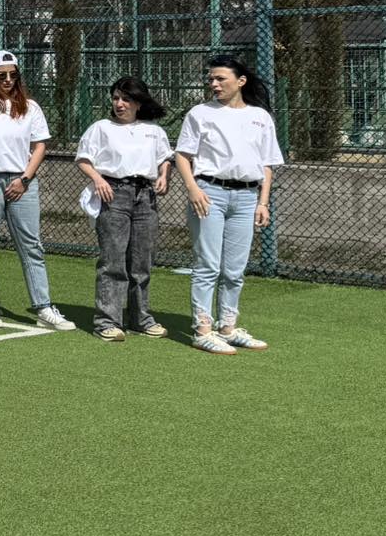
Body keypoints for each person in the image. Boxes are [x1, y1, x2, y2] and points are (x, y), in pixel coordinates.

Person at [173, 56, 283, 354]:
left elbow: (268, 164)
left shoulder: (260, 116)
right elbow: (182, 155)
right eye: (211, 79)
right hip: (210, 193)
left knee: (235, 269)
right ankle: (202, 329)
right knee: (208, 265)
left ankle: (228, 327)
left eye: (220, 78)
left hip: (247, 198)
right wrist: (193, 188)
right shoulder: (200, 113)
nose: (214, 84)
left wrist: (263, 202)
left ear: (240, 81)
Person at [0, 51, 70, 330]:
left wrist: (25, 178)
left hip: (22, 184)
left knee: (32, 245)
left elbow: (40, 145)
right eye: (1, 75)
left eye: (13, 74)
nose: (8, 80)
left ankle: (44, 307)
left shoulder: (29, 106)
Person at [75, 76, 174, 343]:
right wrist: (98, 179)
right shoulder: (101, 128)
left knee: (142, 261)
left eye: (126, 99)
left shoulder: (153, 130)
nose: (119, 104)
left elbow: (165, 157)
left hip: (145, 196)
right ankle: (107, 321)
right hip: (114, 193)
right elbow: (83, 159)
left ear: (138, 103)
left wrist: (164, 175)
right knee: (113, 260)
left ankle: (140, 318)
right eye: (116, 98)